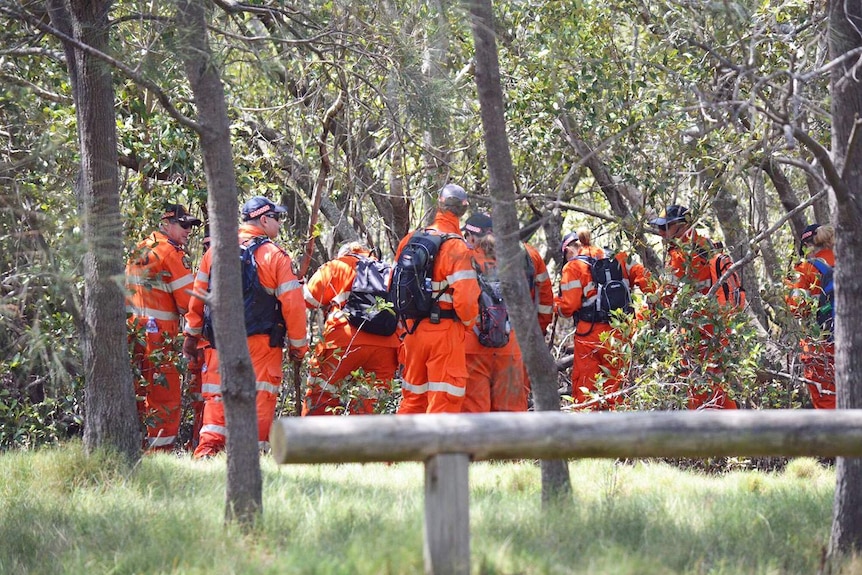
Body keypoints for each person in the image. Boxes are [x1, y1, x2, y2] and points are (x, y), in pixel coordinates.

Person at [183, 196, 308, 457]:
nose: (280, 223)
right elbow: (293, 306)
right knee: (259, 401)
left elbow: (198, 298)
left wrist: (192, 337)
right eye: (277, 218)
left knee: (217, 402)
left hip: (220, 343)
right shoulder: (275, 256)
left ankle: (206, 455)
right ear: (264, 219)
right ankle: (252, 461)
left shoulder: (214, 252)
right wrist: (299, 346)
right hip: (261, 344)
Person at [395, 183, 481, 414]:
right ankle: (437, 450)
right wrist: (468, 325)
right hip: (445, 332)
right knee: (444, 401)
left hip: (412, 332)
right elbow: (465, 300)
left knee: (413, 399)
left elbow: (392, 284)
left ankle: (402, 449)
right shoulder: (457, 248)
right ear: (462, 211)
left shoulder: (410, 240)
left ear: (439, 204)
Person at [126, 202, 202, 452]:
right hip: (160, 339)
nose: (188, 230)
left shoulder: (140, 248)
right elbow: (189, 303)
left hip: (134, 336)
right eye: (183, 225)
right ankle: (161, 457)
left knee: (139, 396)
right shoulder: (171, 254)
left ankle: (137, 450)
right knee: (165, 398)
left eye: (190, 225)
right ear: (166, 224)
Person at [649, 204, 738, 410]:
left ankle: (707, 432)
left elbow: (667, 295)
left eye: (665, 228)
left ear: (680, 226)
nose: (661, 233)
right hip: (715, 325)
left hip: (697, 328)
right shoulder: (706, 244)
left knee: (697, 383)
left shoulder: (681, 254)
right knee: (715, 382)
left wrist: (652, 309)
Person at [555, 227, 650, 409]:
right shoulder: (620, 258)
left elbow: (568, 307)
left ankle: (587, 434)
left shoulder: (573, 267)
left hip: (588, 335)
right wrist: (642, 316)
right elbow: (647, 281)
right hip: (620, 333)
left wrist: (554, 304)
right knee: (616, 389)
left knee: (585, 391)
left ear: (568, 249)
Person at [302, 241, 399, 415]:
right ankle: (364, 442)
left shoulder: (338, 265)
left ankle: (313, 440)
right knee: (371, 404)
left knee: (321, 395)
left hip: (344, 340)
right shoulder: (388, 270)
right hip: (386, 345)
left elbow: (309, 300)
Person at [460, 213, 531, 412]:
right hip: (510, 346)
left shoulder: (465, 259)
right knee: (511, 415)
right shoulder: (518, 260)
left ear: (472, 237)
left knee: (475, 415)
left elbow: (462, 303)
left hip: (473, 346)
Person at [785, 223, 835, 409]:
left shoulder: (806, 269)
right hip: (854, 345)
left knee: (827, 404)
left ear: (806, 246)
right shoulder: (853, 262)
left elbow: (795, 308)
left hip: (820, 348)